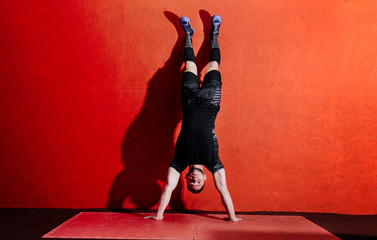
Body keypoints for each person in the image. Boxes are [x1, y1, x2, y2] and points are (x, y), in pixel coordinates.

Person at [145, 15, 241, 222]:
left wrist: (159, 216)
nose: (194, 180)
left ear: (186, 179)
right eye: (198, 183)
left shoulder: (179, 162)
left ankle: (188, 35)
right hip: (210, 104)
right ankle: (215, 35)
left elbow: (169, 188)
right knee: (213, 65)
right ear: (205, 178)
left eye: (191, 183)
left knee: (190, 65)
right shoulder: (213, 162)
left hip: (188, 102)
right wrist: (232, 218)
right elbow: (223, 190)